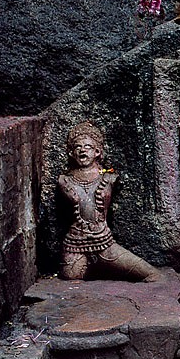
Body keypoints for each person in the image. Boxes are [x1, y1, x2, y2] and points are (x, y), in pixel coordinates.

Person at [57, 121, 162, 282]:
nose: (82, 150)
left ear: (97, 152)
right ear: (72, 153)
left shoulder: (108, 177)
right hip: (75, 243)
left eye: (88, 147)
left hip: (104, 241)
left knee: (152, 274)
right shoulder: (65, 181)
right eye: (78, 147)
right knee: (70, 277)